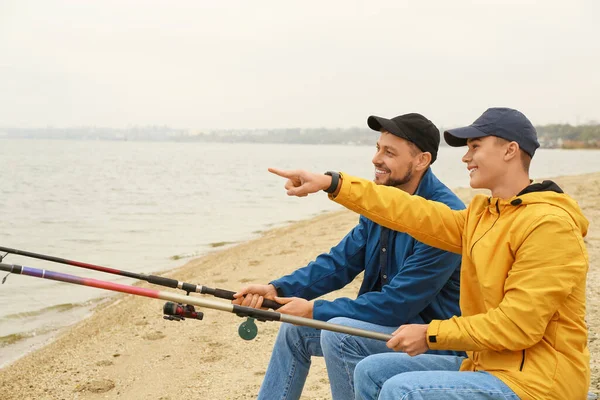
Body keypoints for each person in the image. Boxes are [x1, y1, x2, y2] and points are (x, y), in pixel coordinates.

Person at [269, 107, 590, 400]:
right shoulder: (484, 216)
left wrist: (432, 334)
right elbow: (411, 211)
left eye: (475, 146)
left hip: (537, 382)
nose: (466, 157)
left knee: (400, 388)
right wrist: (331, 183)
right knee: (371, 371)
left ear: (510, 150)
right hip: (484, 365)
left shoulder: (550, 225)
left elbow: (519, 326)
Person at [233, 113, 465, 400]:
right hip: (386, 324)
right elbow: (339, 263)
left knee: (338, 335)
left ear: (421, 161)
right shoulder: (383, 202)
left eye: (389, 152)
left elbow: (398, 304)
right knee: (295, 330)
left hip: (431, 341)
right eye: (378, 148)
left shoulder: (446, 217)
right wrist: (277, 289)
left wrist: (314, 310)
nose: (376, 159)